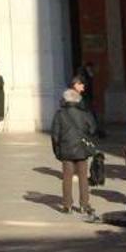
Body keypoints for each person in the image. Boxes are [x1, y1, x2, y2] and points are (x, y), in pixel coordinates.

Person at [50, 85, 98, 218]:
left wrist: (57, 151)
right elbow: (93, 129)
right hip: (82, 149)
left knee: (67, 177)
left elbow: (55, 135)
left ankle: (67, 205)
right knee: (83, 177)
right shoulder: (85, 114)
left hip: (66, 150)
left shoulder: (59, 114)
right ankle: (84, 204)